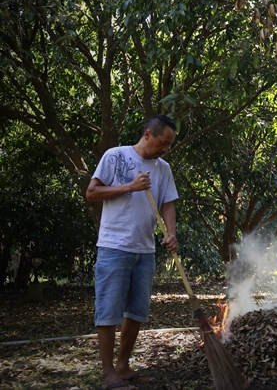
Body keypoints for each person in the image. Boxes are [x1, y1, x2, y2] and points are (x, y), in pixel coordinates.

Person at [86, 115, 179, 390]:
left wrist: (171, 233)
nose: (165, 149)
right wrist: (130, 186)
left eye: (169, 145)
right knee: (109, 311)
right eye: (163, 142)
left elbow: (168, 204)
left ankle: (123, 367)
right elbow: (92, 193)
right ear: (148, 134)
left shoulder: (164, 169)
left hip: (145, 250)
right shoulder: (115, 156)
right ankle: (108, 374)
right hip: (114, 247)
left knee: (137, 312)